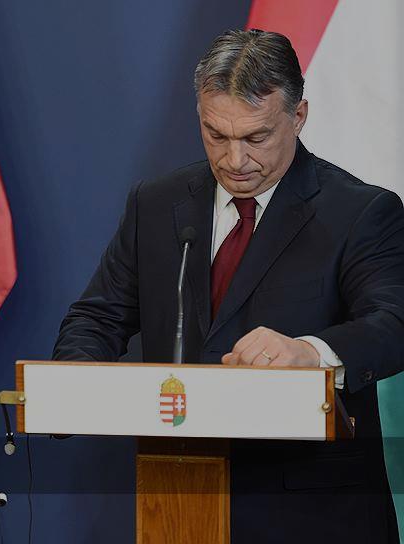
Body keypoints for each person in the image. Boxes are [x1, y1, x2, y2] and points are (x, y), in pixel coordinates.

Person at [53, 29, 404, 542]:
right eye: (216, 134)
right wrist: (75, 384)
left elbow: (393, 323)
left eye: (256, 138)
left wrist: (312, 353)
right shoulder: (156, 204)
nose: (234, 161)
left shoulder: (360, 211)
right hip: (178, 501)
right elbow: (97, 317)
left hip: (313, 516)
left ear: (298, 116)